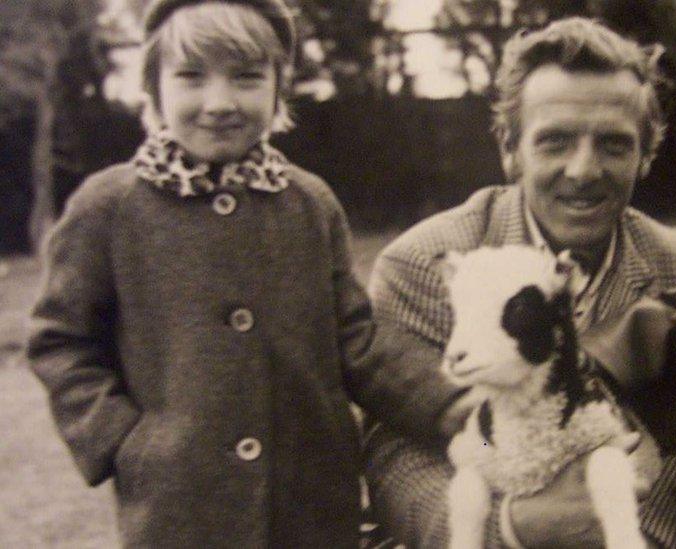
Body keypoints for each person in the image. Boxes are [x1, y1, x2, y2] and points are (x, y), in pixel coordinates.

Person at [27, 1, 421, 546]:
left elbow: (358, 342)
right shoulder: (108, 207)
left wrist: (451, 407)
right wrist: (125, 442)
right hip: (178, 513)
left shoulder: (310, 203)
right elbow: (60, 342)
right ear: (154, 87)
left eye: (246, 78)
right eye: (190, 77)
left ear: (278, 88)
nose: (219, 102)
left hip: (313, 507)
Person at [364, 17, 676, 548]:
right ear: (509, 149)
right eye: (555, 142)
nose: (584, 170)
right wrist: (514, 528)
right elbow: (395, 456)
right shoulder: (424, 265)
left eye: (614, 144)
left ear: (647, 155)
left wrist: (629, 529)